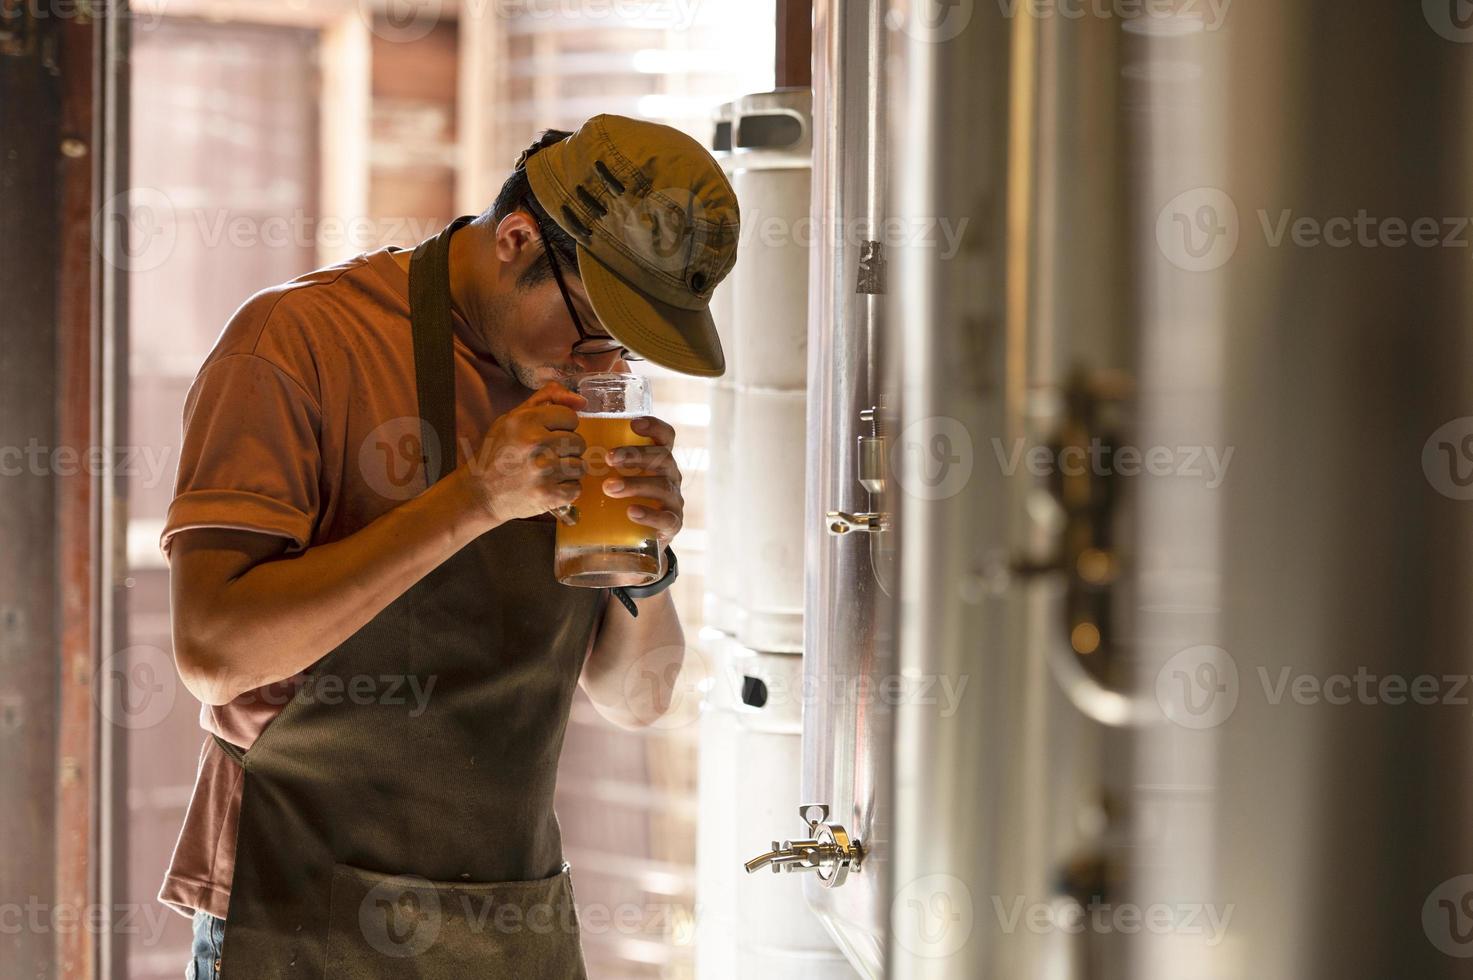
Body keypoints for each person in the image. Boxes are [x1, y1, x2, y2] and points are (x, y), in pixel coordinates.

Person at [159, 114, 738, 979]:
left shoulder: (579, 403)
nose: (601, 361)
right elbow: (213, 655)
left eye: (630, 343)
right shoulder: (295, 343)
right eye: (593, 326)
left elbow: (635, 699)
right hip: (304, 912)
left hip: (509, 915)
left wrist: (645, 564)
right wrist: (473, 498)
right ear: (515, 240)